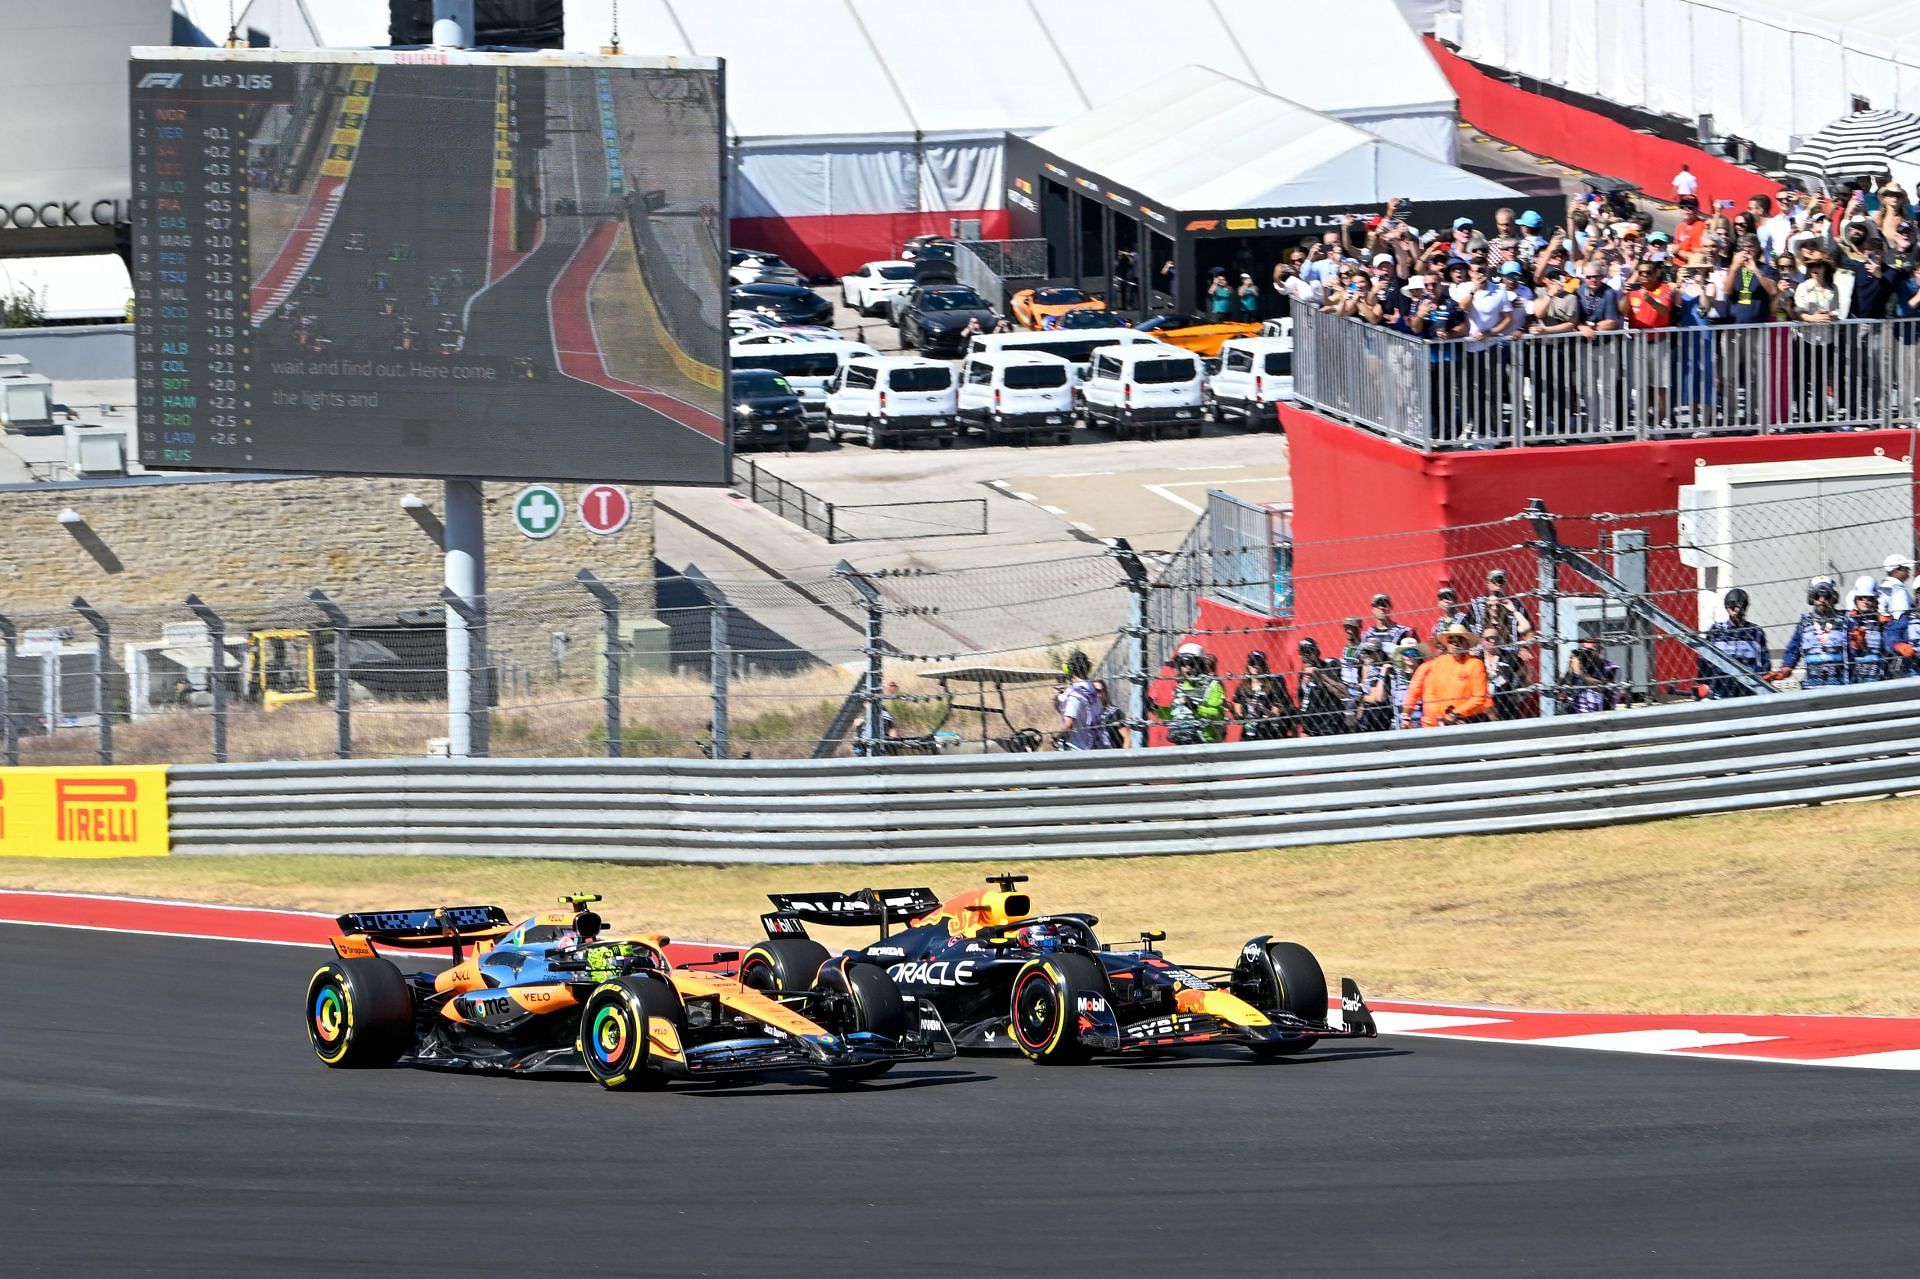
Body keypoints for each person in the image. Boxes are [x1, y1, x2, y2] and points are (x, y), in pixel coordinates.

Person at [1401, 623, 1493, 728]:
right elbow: (1414, 689)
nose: (1455, 643)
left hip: (1464, 723)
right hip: (1432, 725)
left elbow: (1479, 698)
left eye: (1459, 640)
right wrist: (1406, 716)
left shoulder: (1475, 664)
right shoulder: (1435, 664)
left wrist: (1455, 714)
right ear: (1447, 644)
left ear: (1466, 643)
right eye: (1451, 640)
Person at [1769, 577, 1852, 688]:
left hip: (1841, 685)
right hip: (1812, 686)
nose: (1822, 600)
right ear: (1812, 598)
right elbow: (1793, 649)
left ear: (1833, 597)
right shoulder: (1804, 622)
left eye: (1826, 596)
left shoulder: (1846, 619)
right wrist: (1786, 667)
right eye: (1818, 596)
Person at [1697, 588, 1771, 697]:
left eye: (1741, 606)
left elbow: (1765, 664)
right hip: (1720, 690)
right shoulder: (1716, 632)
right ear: (1726, 607)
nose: (1737, 610)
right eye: (1733, 606)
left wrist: (1763, 679)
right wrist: (1702, 683)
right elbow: (1705, 662)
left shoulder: (1755, 632)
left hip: (1748, 690)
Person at [1154, 642, 1226, 744]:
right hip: (1182, 741)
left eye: (1191, 663)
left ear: (1200, 664)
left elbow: (1218, 713)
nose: (1187, 668)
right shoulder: (1181, 687)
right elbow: (1175, 714)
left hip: (1207, 743)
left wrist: (1195, 708)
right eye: (1183, 663)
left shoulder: (1213, 685)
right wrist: (1155, 709)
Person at [1844, 576, 1899, 683]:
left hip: (1879, 676)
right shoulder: (1848, 622)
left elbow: (1890, 649)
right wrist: (1854, 645)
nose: (1865, 602)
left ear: (1875, 600)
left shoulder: (1883, 623)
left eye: (1869, 598)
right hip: (1855, 678)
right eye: (1861, 598)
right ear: (1855, 600)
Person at [1233, 650, 1297, 741]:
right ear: (1248, 666)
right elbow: (1238, 718)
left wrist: (1262, 709)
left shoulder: (1273, 685)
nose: (1255, 667)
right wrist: (1231, 709)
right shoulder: (1242, 687)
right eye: (1252, 663)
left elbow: (1275, 714)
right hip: (1247, 734)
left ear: (1264, 666)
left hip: (1267, 732)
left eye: (1259, 663)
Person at [1293, 637, 1350, 736]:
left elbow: (1343, 693)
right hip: (1309, 727)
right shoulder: (1302, 675)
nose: (1305, 655)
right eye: (1302, 651)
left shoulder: (1329, 666)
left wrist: (1320, 675)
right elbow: (1303, 701)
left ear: (1316, 652)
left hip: (1328, 726)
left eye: (1308, 651)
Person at [1054, 650, 1104, 750]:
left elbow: (1069, 723)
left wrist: (1057, 737)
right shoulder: (1091, 689)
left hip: (1076, 748)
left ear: (1070, 670)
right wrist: (1058, 697)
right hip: (1094, 743)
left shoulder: (1075, 695)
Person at [1557, 635, 1621, 714]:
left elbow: (1602, 688)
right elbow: (1565, 687)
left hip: (1601, 714)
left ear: (1599, 650)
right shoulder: (1581, 665)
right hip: (1576, 713)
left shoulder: (1611, 668)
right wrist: (1570, 668)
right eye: (1584, 650)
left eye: (1590, 651)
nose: (1587, 654)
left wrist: (1579, 673)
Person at [1352, 640, 1399, 732]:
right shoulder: (1367, 667)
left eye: (1370, 652)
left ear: (1380, 653)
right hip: (1367, 714)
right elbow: (1362, 690)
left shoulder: (1386, 669)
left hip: (1382, 715)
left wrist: (1361, 697)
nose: (1368, 656)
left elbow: (1377, 698)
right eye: (1366, 652)